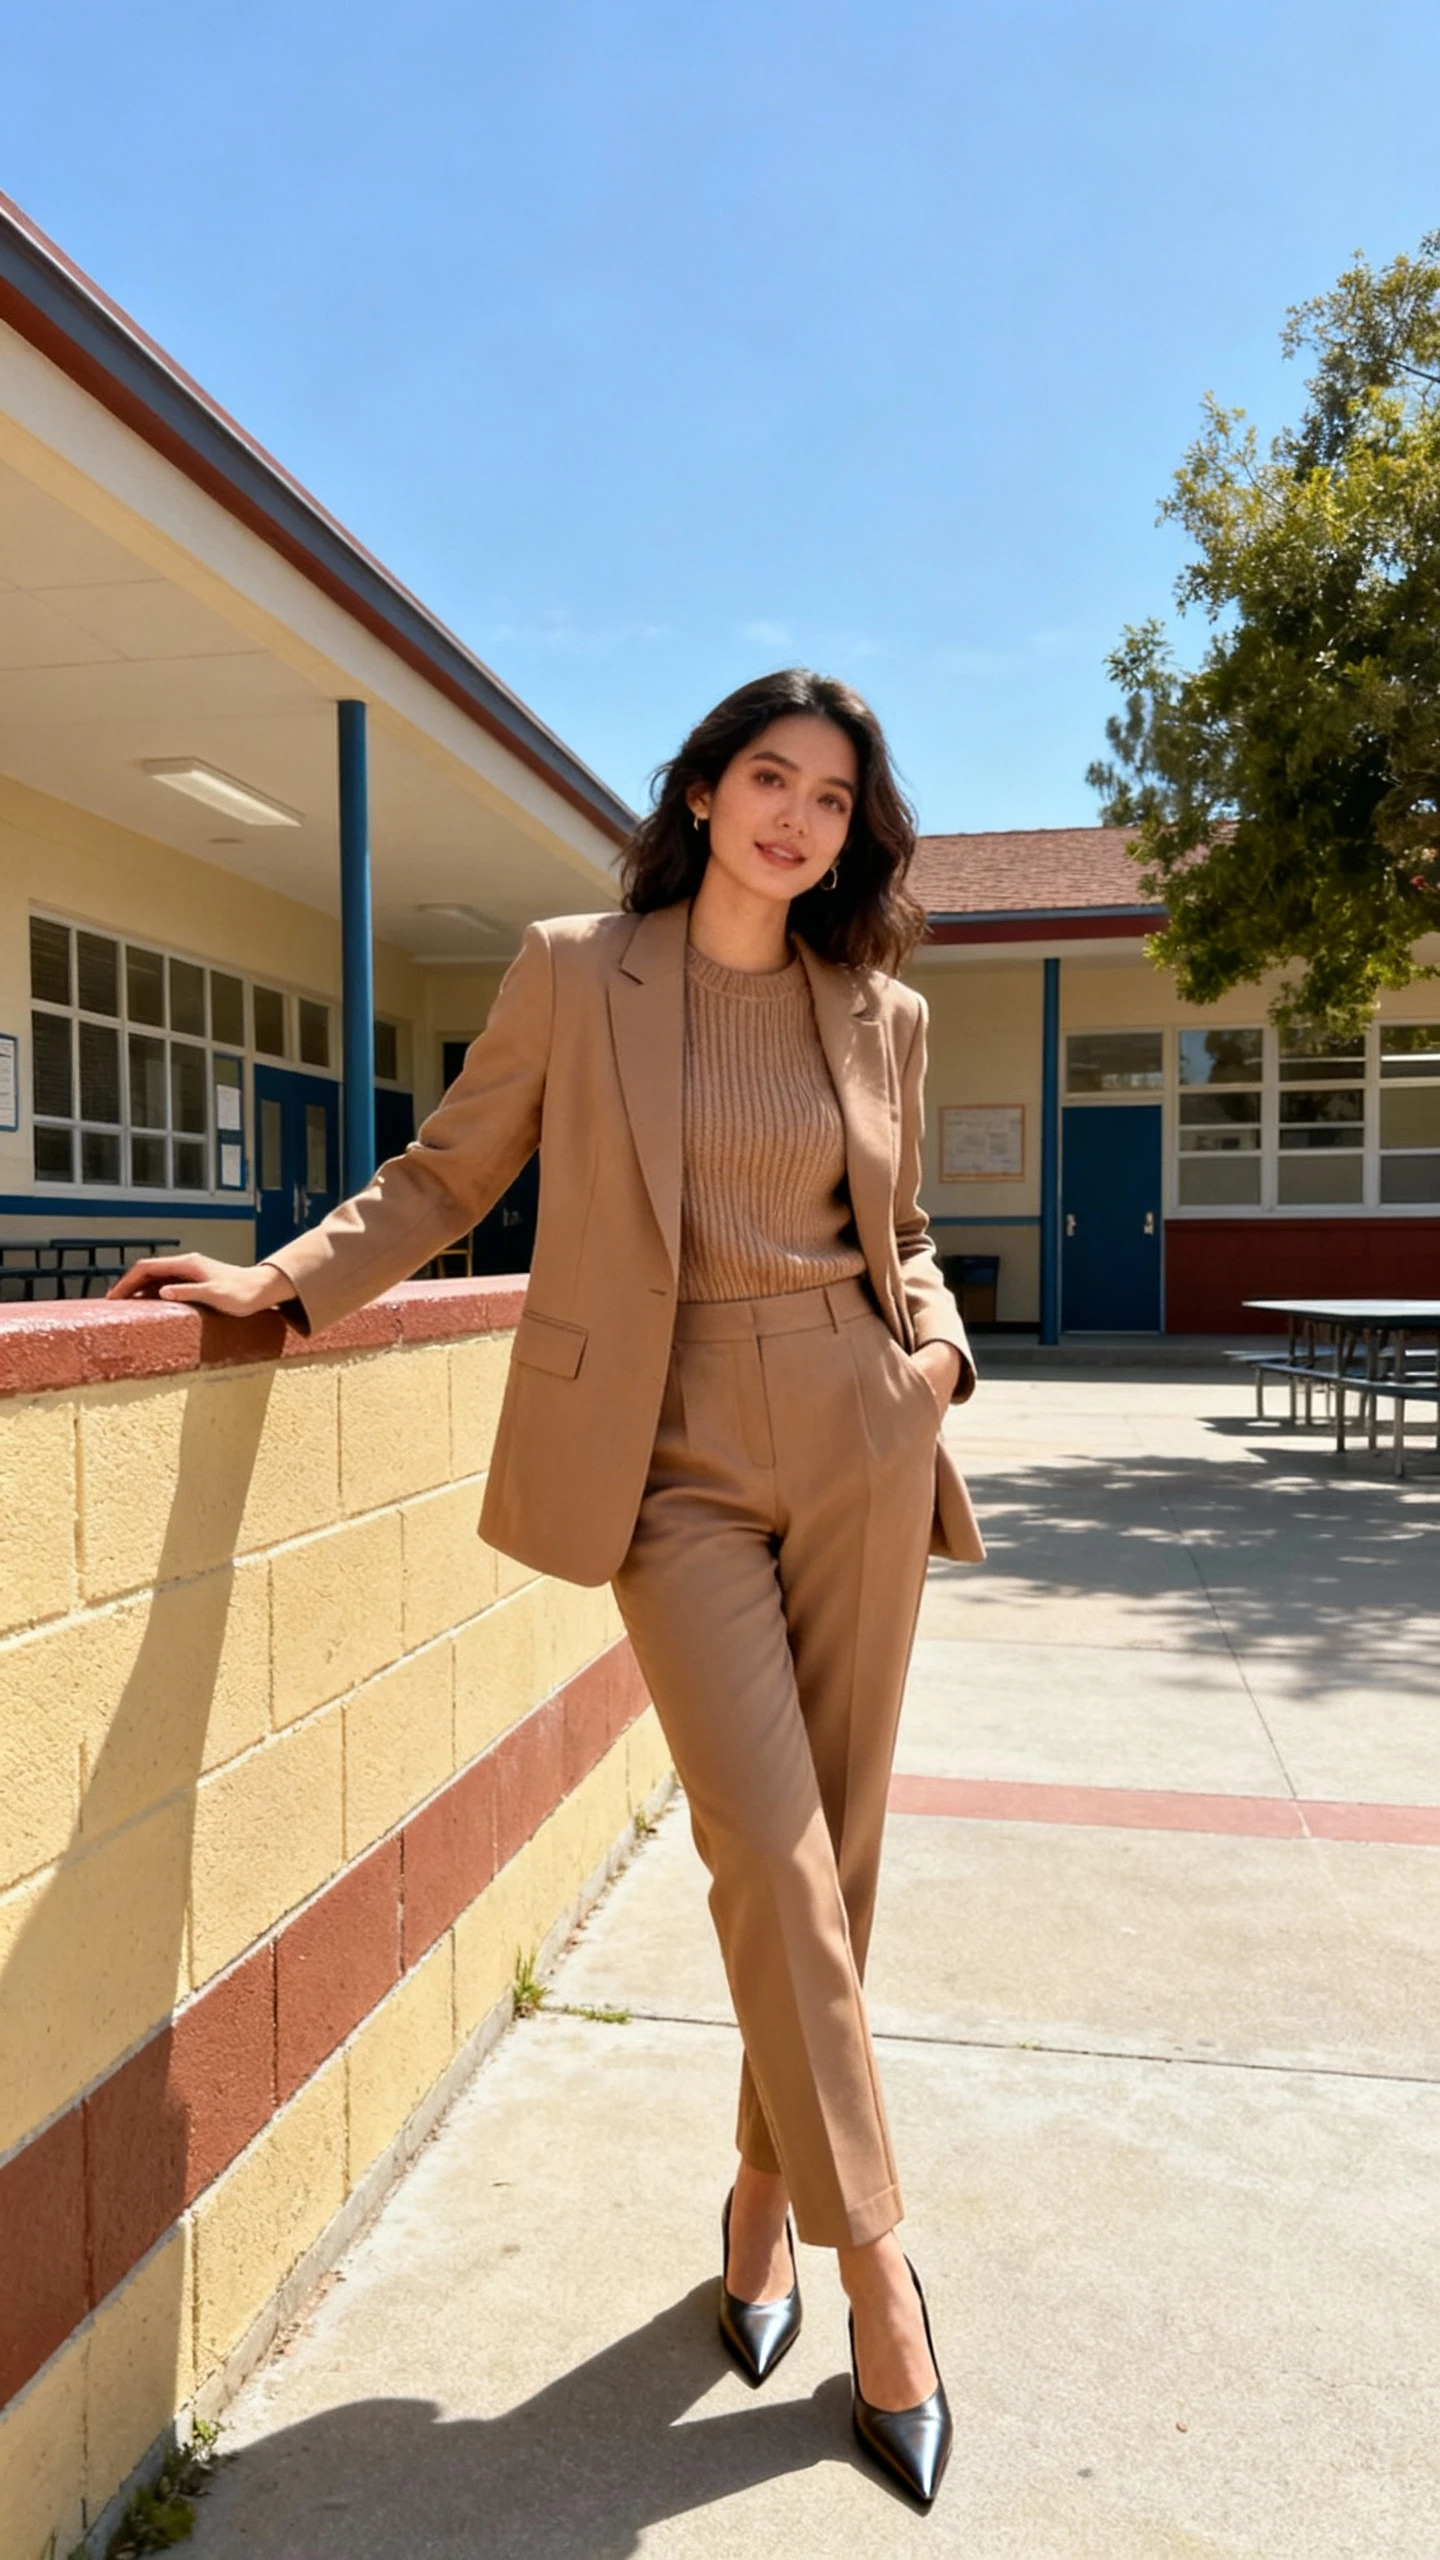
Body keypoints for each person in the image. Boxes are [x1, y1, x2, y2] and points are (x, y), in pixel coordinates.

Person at [111, 668, 983, 2509]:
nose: (797, 819)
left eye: (833, 800)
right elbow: (452, 1170)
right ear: (700, 791)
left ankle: (765, 2195)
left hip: (857, 1421)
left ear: (854, 836)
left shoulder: (881, 1010)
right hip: (657, 1458)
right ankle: (883, 2266)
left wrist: (937, 1363)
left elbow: (904, 1237)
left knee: (839, 1848)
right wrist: (287, 1284)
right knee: (766, 1842)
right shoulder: (581, 967)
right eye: (770, 777)